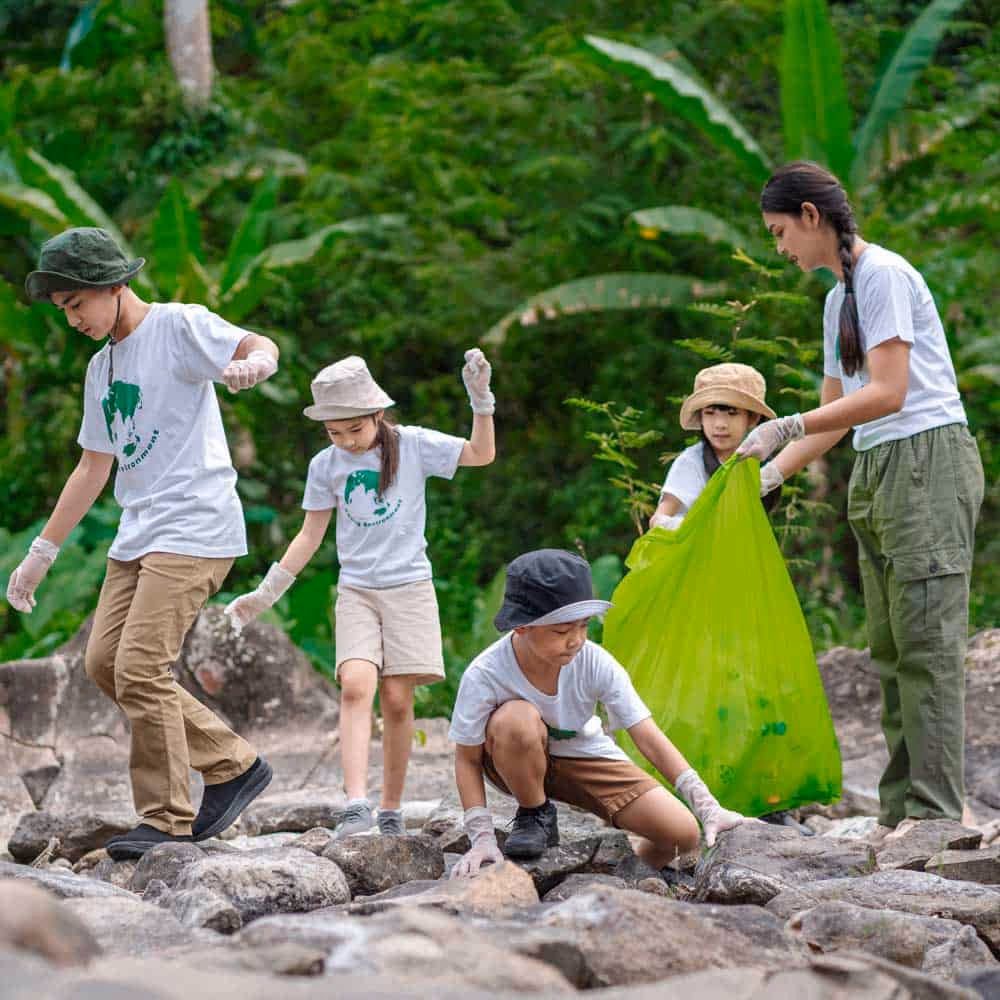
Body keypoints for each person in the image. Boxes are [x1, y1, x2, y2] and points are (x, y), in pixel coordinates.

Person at [6, 227, 280, 859]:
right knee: (104, 663)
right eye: (63, 309)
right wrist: (40, 553)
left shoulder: (178, 326)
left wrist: (257, 364)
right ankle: (233, 764)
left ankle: (166, 818)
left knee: (139, 668)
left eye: (76, 304)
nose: (71, 319)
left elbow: (255, 343)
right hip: (139, 532)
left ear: (113, 286)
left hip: (195, 524)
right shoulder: (101, 368)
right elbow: (92, 467)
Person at [737, 161, 984, 843]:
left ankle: (936, 818)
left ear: (810, 216)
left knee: (927, 645)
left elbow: (889, 393)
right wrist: (768, 473)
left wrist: (786, 424)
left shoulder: (884, 276)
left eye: (780, 232)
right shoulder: (836, 300)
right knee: (890, 647)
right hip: (876, 469)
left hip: (926, 459)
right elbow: (835, 418)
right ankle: (902, 811)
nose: (780, 248)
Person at [224, 351, 496, 839]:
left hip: (409, 588)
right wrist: (266, 593)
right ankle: (355, 803)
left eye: (355, 429)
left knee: (397, 700)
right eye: (335, 432)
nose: (347, 441)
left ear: (377, 414)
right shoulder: (325, 465)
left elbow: (481, 455)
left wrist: (481, 401)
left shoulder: (412, 445)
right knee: (355, 685)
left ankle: (391, 807)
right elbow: (309, 535)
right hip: (357, 590)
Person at [447, 548, 747, 878]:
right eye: (561, 631)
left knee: (682, 835)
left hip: (585, 757)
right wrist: (482, 839)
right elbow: (467, 759)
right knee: (516, 720)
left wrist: (706, 805)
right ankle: (535, 815)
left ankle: (624, 875)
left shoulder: (595, 661)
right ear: (521, 627)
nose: (576, 641)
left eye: (583, 626)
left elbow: (647, 735)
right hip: (515, 758)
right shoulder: (486, 673)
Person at [649, 362, 780, 531]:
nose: (720, 424)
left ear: (753, 418)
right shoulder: (691, 462)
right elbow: (659, 519)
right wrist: (691, 526)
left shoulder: (761, 462)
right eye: (710, 413)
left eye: (732, 413)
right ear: (701, 417)